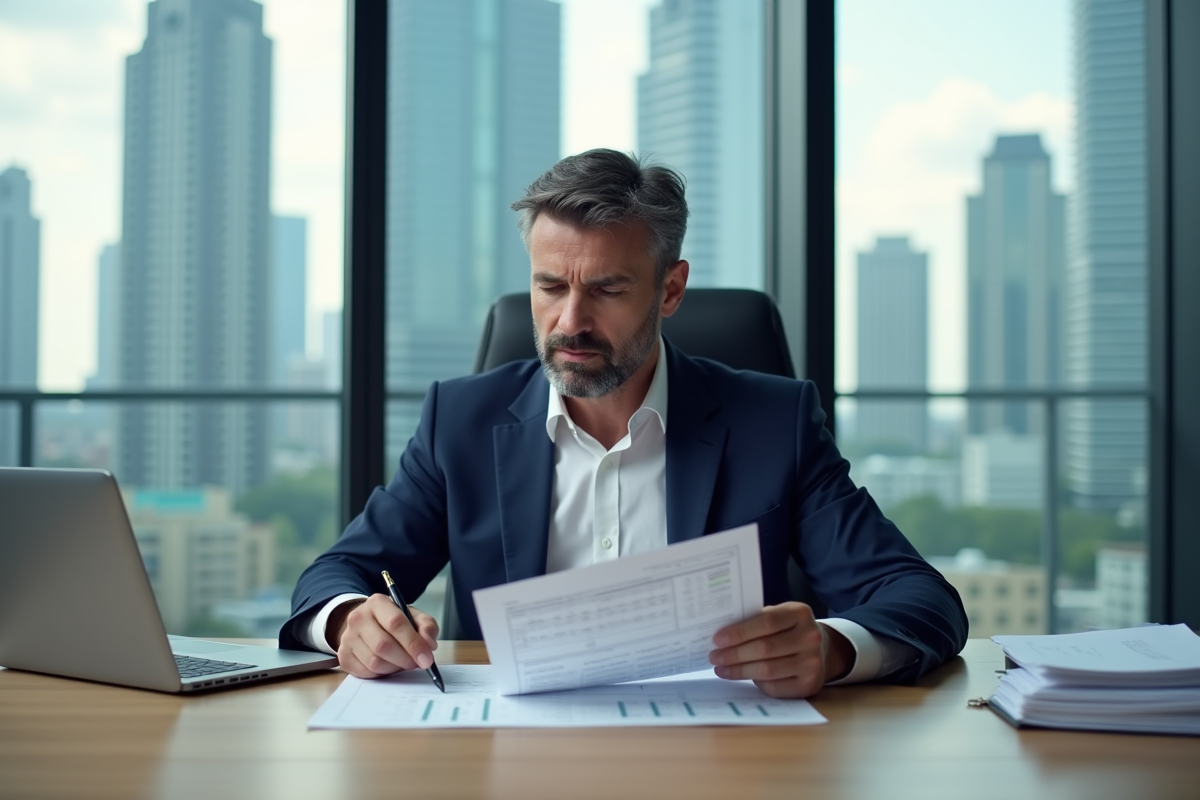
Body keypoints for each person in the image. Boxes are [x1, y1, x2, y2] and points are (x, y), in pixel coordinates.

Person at [280, 149, 968, 699]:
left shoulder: (773, 423)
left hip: (723, 762)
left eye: (606, 289)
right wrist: (349, 620)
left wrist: (834, 647)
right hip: (508, 759)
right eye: (550, 286)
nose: (570, 321)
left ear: (670, 290)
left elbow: (920, 600)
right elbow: (338, 572)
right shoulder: (460, 421)